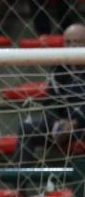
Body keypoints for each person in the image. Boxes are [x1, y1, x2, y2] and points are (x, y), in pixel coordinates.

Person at [14, 23, 85, 165]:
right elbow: (50, 104)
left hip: (82, 125)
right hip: (65, 127)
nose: (72, 47)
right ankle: (19, 185)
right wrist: (57, 124)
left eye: (77, 42)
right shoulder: (59, 69)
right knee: (27, 129)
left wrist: (76, 123)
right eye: (68, 42)